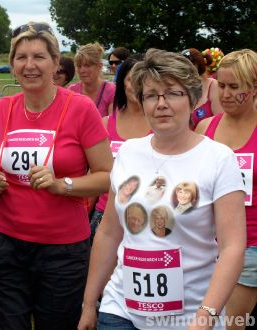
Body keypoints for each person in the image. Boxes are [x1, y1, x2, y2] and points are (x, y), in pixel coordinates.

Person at [78, 48, 246, 330]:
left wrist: (205, 317)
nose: (161, 104)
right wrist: (89, 303)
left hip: (189, 316)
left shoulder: (219, 158)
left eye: (172, 93)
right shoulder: (128, 152)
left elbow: (232, 247)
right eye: (151, 95)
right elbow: (109, 232)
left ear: (192, 99)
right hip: (121, 310)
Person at [0, 22, 113, 330]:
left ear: (56, 63)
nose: (29, 65)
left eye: (39, 57)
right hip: (7, 244)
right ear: (12, 63)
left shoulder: (80, 109)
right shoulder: (2, 109)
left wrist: (62, 185)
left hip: (62, 251)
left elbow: (107, 176)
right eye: (21, 57)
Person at [196, 49, 257, 330]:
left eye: (235, 87)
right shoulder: (205, 127)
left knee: (230, 324)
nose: (226, 94)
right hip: (206, 242)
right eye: (221, 86)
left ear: (254, 88)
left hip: (250, 244)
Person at [89, 55, 150, 241]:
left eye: (143, 80)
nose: (137, 86)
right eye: (132, 80)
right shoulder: (105, 124)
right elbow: (95, 174)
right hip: (105, 214)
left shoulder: (163, 126)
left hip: (149, 217)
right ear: (122, 82)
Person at [69, 42, 116, 117]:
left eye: (87, 65)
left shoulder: (111, 91)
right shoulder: (72, 91)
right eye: (79, 66)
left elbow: (112, 124)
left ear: (99, 66)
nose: (82, 70)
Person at [182, 48, 223, 128]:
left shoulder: (212, 85)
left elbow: (220, 122)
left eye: (189, 66)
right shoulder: (180, 88)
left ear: (198, 66)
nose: (185, 70)